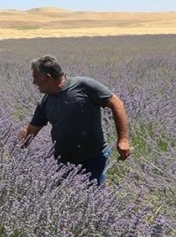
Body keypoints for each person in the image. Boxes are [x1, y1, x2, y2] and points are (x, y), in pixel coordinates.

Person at [17, 55, 131, 186]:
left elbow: (117, 104)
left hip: (93, 159)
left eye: (35, 77)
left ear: (47, 77)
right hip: (64, 163)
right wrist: (17, 148)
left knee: (92, 199)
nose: (34, 82)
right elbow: (32, 129)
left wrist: (123, 139)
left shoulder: (84, 85)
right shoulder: (45, 102)